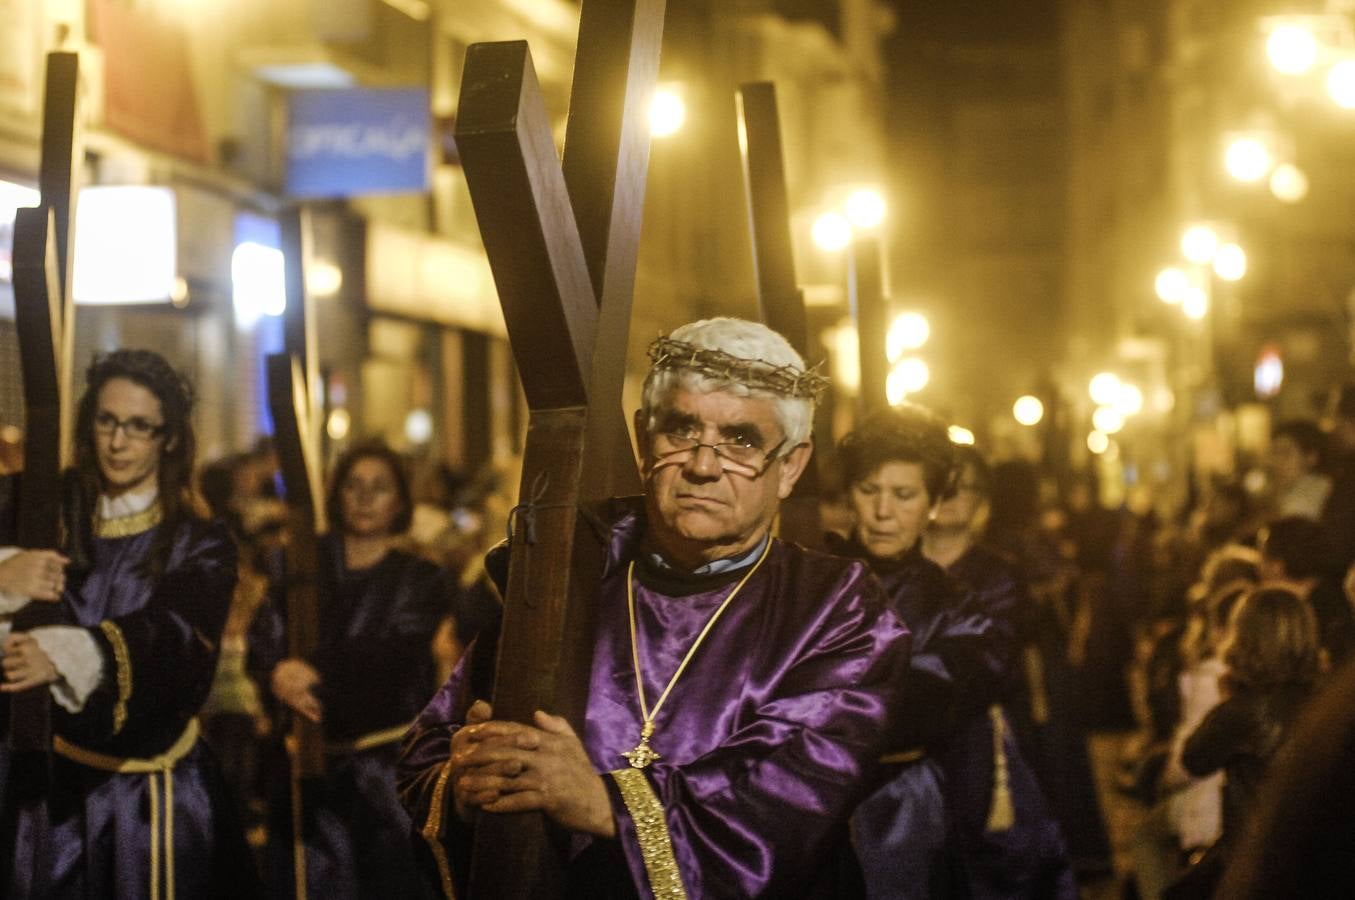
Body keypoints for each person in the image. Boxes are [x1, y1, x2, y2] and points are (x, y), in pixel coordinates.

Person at [397, 317, 911, 899]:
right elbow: (429, 752)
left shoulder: (837, 608)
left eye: (741, 440)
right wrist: (466, 783)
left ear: (790, 465)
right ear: (645, 441)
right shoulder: (566, 577)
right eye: (682, 429)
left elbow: (786, 796)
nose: (703, 465)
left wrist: (603, 802)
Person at [0, 349, 260, 898]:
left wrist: (71, 654)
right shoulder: (40, 506)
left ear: (168, 439)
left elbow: (178, 637)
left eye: (139, 427)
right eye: (107, 421)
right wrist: (6, 573)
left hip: (153, 799)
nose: (118, 442)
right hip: (49, 792)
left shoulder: (197, 540)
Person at [830, 409, 1072, 899]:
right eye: (868, 490)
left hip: (902, 812)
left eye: (903, 495)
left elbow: (928, 703)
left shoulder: (957, 607)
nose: (882, 512)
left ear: (933, 503)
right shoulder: (812, 578)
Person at [253, 439, 452, 899]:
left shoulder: (418, 579)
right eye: (353, 486)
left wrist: (310, 673)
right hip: (304, 770)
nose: (364, 498)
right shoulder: (300, 563)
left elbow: (390, 659)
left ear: (399, 500)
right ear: (336, 493)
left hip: (381, 780)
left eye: (379, 487)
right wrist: (276, 674)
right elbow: (266, 640)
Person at [922, 444, 1075, 899]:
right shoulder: (895, 569)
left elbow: (989, 662)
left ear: (981, 502)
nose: (949, 496)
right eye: (940, 485)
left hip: (981, 739)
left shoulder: (998, 573)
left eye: (961, 487)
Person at [1165, 586, 1320, 899]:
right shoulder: (1326, 699)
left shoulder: (1241, 710)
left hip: (1254, 856)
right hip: (1314, 855)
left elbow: (1191, 761)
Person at [1267, 419, 1332, 521]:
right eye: (1274, 453)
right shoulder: (1288, 489)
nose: (1275, 462)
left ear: (1311, 457)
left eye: (1285, 453)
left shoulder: (1315, 490)